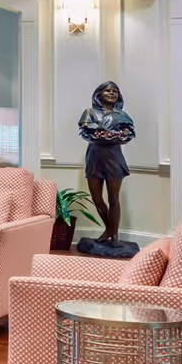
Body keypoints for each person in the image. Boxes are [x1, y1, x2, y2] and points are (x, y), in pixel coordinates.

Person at [76, 80, 136, 255]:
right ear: (99, 94)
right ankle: (108, 228)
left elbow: (128, 134)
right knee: (97, 198)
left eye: (115, 91)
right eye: (108, 91)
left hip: (114, 158)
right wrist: (104, 134)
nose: (111, 93)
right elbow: (86, 133)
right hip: (94, 158)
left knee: (114, 198)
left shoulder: (122, 115)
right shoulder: (90, 112)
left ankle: (114, 235)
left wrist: (115, 135)